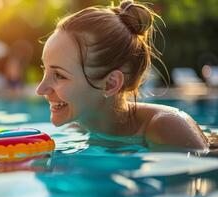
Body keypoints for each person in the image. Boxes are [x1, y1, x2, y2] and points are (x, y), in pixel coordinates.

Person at [36, 0, 210, 150]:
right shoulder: (80, 124)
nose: (40, 89)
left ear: (111, 84)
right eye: (45, 69)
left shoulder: (166, 128)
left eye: (59, 75)